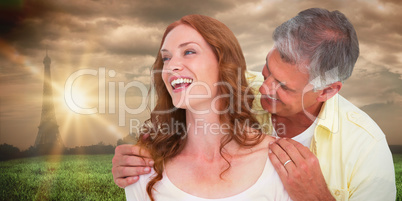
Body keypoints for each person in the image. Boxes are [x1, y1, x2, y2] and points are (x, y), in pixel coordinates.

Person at [113, 8, 396, 200]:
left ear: (327, 91)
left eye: (283, 86)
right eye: (266, 70)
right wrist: (134, 156)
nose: (265, 89)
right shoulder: (237, 84)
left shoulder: (365, 148)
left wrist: (318, 197)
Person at [124, 14, 291, 201]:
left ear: (224, 63)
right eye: (166, 58)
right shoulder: (145, 170)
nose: (172, 66)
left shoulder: (281, 163)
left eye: (189, 52)